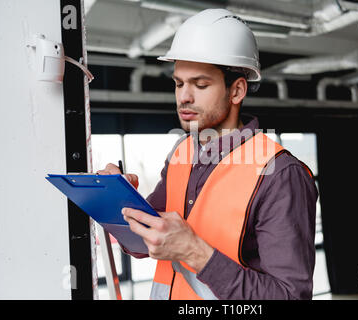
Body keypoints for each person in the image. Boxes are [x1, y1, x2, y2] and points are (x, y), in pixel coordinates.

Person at [97, 8, 318, 300]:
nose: (184, 96)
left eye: (200, 85)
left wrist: (195, 251)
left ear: (237, 91)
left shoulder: (279, 173)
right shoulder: (182, 152)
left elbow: (289, 297)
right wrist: (118, 200)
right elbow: (144, 244)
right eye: (178, 83)